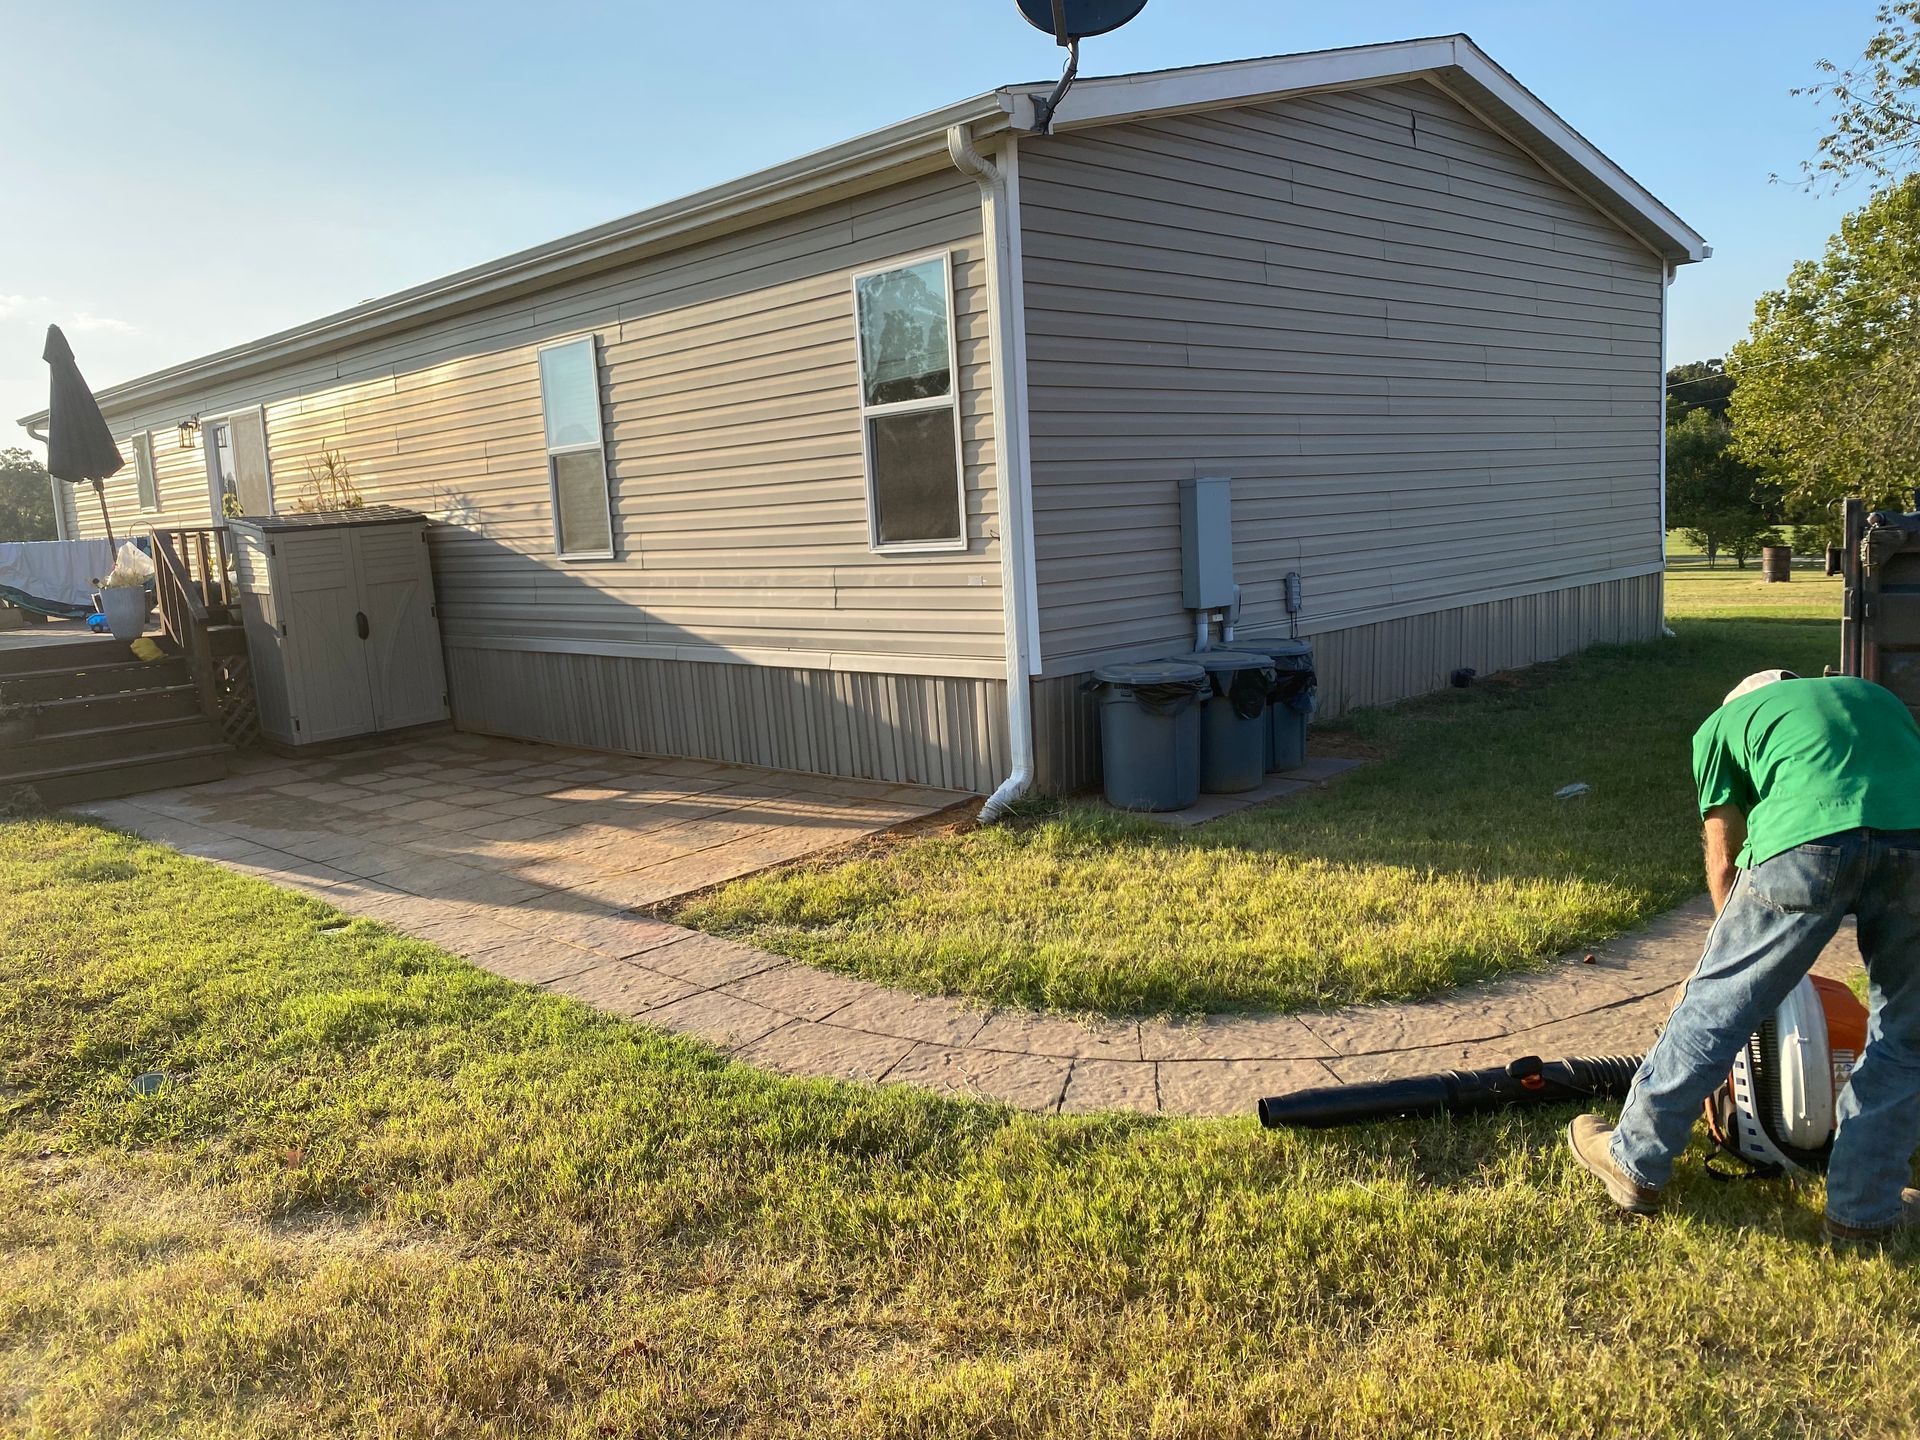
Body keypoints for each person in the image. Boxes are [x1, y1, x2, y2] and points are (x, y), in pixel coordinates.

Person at [1567, 670, 1920, 1242]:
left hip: (1807, 839)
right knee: (1907, 1032)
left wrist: (1735, 964)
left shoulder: (1722, 724)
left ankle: (1634, 1160)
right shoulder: (1871, 695)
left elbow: (1724, 860)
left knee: (1716, 1006)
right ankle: (1864, 1207)